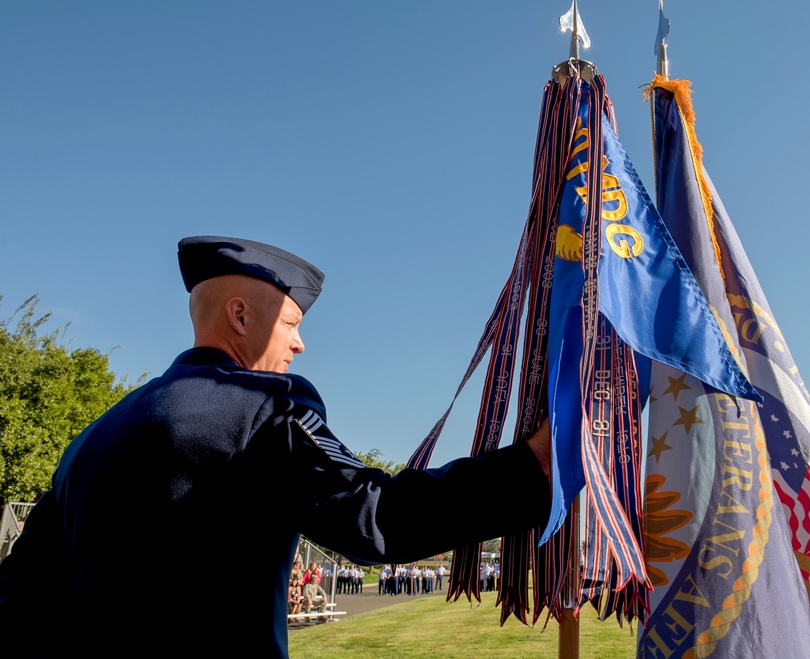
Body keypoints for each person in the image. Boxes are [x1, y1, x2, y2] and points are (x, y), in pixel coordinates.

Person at [0, 236, 552, 658]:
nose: (299, 343)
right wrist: (530, 466)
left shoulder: (90, 440)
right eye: (291, 322)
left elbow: (19, 597)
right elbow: (374, 517)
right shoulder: (260, 405)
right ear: (240, 316)